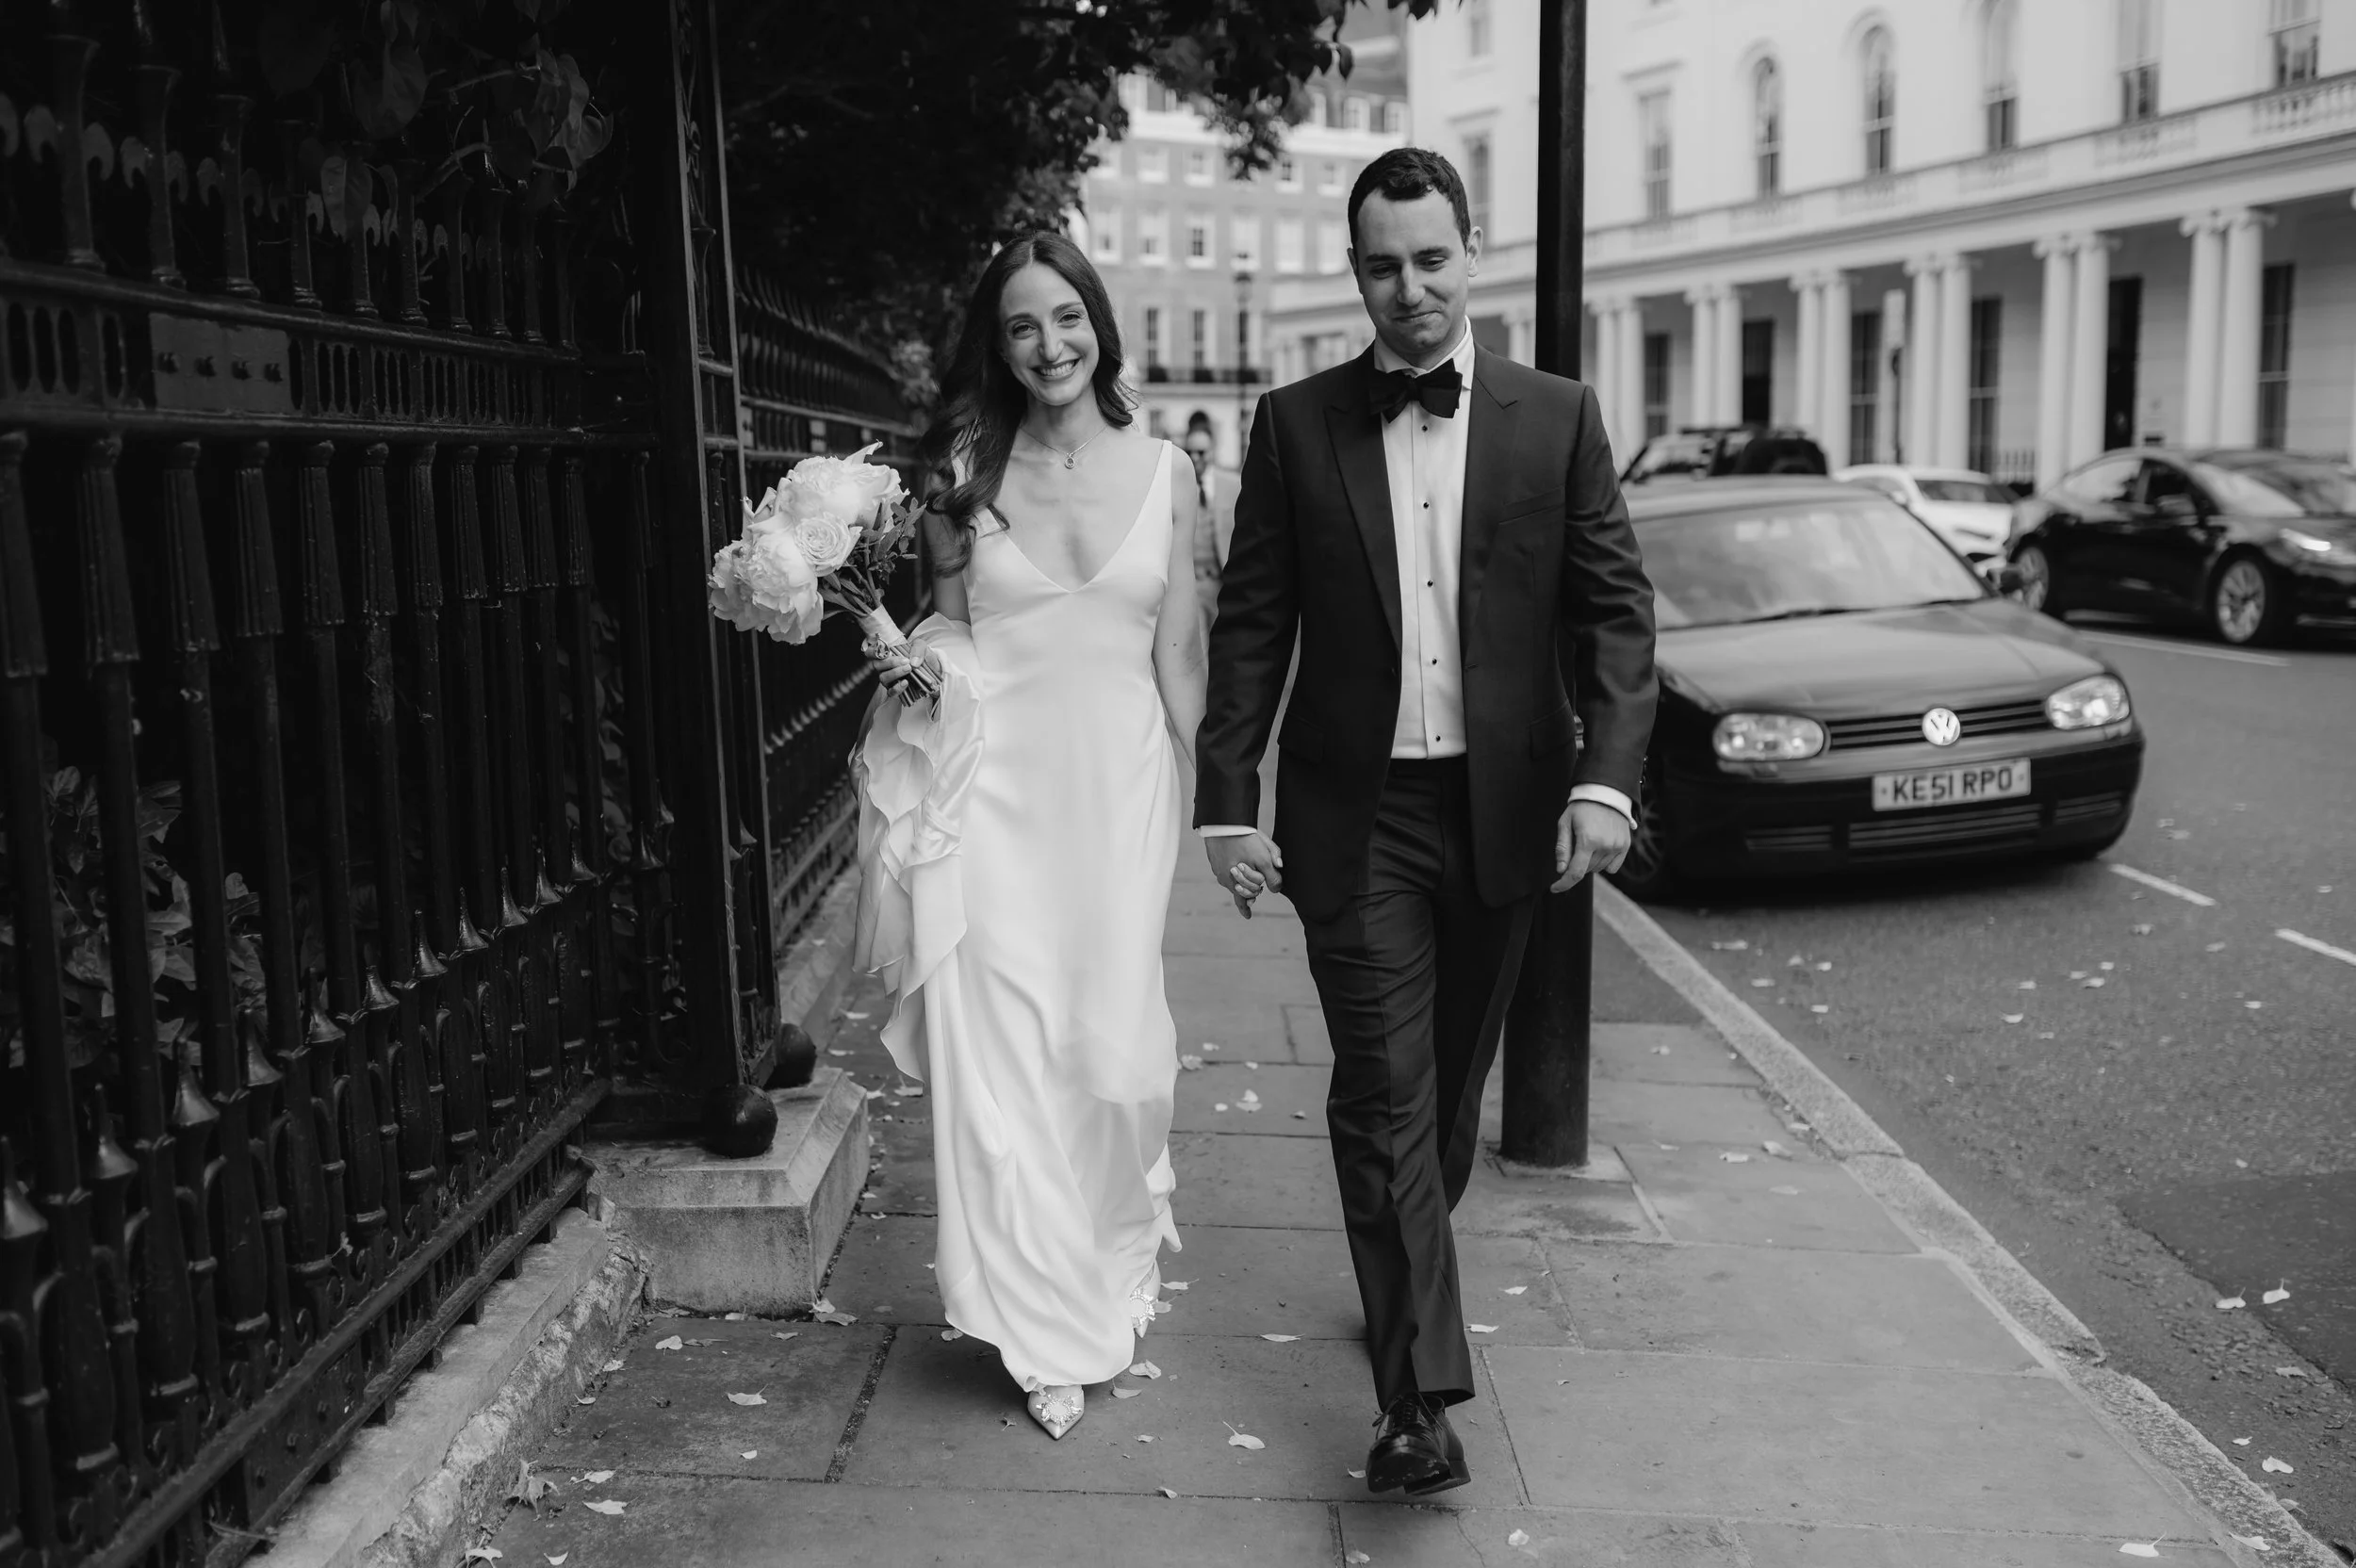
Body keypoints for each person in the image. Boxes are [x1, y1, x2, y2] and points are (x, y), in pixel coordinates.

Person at [1195, 148, 1658, 1495]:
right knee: (1384, 1094)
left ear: (1474, 253)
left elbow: (1617, 612)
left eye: (1432, 259)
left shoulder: (1555, 417)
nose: (1410, 287)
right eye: (1383, 265)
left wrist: (1606, 780)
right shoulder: (1294, 424)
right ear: (1357, 274)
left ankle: (1405, 1262)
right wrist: (1230, 803)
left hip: (1507, 812)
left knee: (1445, 1102)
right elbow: (1252, 627)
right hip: (1359, 820)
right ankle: (1416, 1403)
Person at [853, 232, 1206, 1441]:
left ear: (1098, 323)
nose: (1048, 344)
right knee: (998, 1067)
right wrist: (908, 661)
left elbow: (1179, 655)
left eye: (1066, 317)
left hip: (1118, 799)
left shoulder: (1170, 472)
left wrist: (1222, 807)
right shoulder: (961, 476)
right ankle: (1036, 1327)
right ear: (995, 347)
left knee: (1111, 1064)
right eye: (1020, 326)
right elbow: (951, 634)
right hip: (991, 807)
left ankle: (1103, 1258)